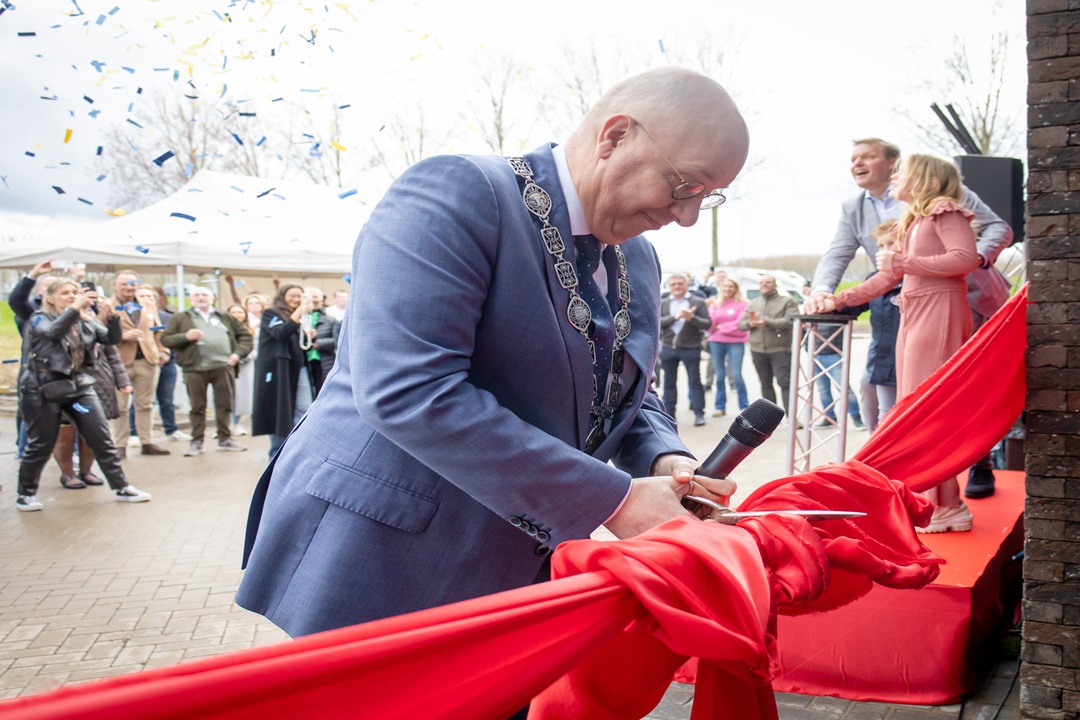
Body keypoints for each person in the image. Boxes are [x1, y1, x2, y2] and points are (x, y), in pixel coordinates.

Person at [238, 67, 749, 640]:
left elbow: (625, 386)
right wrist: (616, 500)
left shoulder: (638, 257)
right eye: (684, 185)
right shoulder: (458, 191)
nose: (686, 216)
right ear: (615, 136)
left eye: (708, 198)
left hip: (516, 565)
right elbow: (409, 391)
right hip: (386, 554)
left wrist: (662, 460)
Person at [808, 137, 1013, 498]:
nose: (856, 163)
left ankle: (972, 468)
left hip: (960, 298)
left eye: (867, 156)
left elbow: (989, 235)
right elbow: (844, 255)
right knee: (899, 391)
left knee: (950, 394)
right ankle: (915, 481)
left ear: (894, 163)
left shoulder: (947, 200)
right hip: (905, 304)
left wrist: (975, 260)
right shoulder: (866, 208)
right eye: (852, 157)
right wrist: (831, 296)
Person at [16, 279, 151, 511]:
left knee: (100, 437)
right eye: (65, 293)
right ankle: (25, 494)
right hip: (44, 390)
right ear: (50, 298)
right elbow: (53, 333)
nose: (72, 296)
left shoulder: (84, 319)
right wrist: (74, 308)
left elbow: (110, 339)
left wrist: (110, 316)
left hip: (78, 390)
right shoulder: (39, 318)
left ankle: (122, 487)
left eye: (75, 292)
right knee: (41, 443)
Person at [161, 287, 252, 456]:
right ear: (190, 299)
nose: (201, 298)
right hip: (194, 368)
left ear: (213, 299)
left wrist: (237, 354)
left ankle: (225, 438)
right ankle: (196, 441)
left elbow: (245, 336)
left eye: (205, 295)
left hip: (223, 366)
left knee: (224, 404)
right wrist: (185, 337)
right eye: (197, 295)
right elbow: (165, 339)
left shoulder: (225, 317)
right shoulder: (181, 318)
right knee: (197, 406)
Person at [100, 272, 172, 458]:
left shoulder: (147, 304)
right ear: (115, 285)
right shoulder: (107, 305)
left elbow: (157, 331)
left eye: (132, 284)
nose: (129, 288)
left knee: (145, 404)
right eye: (124, 284)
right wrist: (122, 337)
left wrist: (163, 350)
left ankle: (147, 441)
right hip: (120, 361)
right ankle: (120, 444)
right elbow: (100, 334)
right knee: (121, 406)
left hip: (147, 360)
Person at [251, 284, 315, 458]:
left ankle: (298, 450)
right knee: (279, 411)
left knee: (304, 408)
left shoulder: (300, 317)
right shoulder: (271, 313)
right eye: (292, 296)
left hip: (298, 368)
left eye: (299, 297)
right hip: (279, 371)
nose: (296, 300)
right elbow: (280, 333)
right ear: (282, 296)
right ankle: (277, 455)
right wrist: (298, 313)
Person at [739, 275, 798, 415]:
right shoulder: (753, 303)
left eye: (768, 282)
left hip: (780, 349)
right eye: (762, 282)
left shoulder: (787, 301)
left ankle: (791, 416)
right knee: (765, 384)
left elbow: (791, 321)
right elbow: (741, 325)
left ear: (775, 285)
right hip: (757, 349)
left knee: (785, 383)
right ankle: (770, 418)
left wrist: (768, 322)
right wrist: (750, 324)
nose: (764, 284)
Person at [659, 273, 711, 426]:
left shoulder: (698, 302)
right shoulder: (663, 303)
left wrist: (691, 318)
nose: (677, 287)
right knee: (668, 382)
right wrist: (675, 318)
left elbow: (707, 324)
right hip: (669, 348)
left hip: (691, 348)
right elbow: (656, 323)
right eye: (673, 284)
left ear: (687, 285)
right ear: (669, 286)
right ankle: (668, 415)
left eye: (680, 284)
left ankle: (699, 413)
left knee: (695, 381)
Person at [706, 278, 749, 416]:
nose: (728, 289)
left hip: (736, 343)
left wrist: (721, 327)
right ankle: (720, 406)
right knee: (719, 375)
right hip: (716, 342)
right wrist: (716, 324)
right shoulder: (715, 304)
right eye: (725, 286)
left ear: (736, 288)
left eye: (731, 286)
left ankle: (744, 406)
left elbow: (740, 325)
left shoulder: (743, 304)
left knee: (736, 374)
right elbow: (710, 325)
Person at [301, 286, 340, 396]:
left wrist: (318, 344)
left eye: (315, 297)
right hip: (303, 361)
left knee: (321, 390)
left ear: (322, 299)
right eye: (309, 297)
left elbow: (336, 341)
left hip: (323, 361)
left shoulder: (331, 320)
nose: (312, 300)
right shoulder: (298, 317)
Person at [226, 303, 257, 436]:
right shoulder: (223, 328)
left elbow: (256, 349)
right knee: (225, 396)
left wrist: (242, 357)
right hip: (225, 365)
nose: (237, 315)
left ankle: (236, 423)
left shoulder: (251, 330)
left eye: (240, 312)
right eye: (234, 312)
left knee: (240, 397)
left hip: (244, 366)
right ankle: (223, 426)